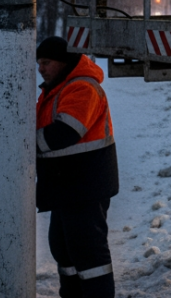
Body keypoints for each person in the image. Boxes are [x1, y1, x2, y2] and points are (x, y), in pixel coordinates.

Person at [36, 36, 119, 298]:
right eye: (39, 62)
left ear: (63, 62)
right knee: (63, 249)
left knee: (89, 253)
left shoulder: (82, 88)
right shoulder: (57, 89)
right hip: (68, 185)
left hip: (85, 185)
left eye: (46, 62)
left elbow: (65, 133)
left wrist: (20, 145)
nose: (41, 68)